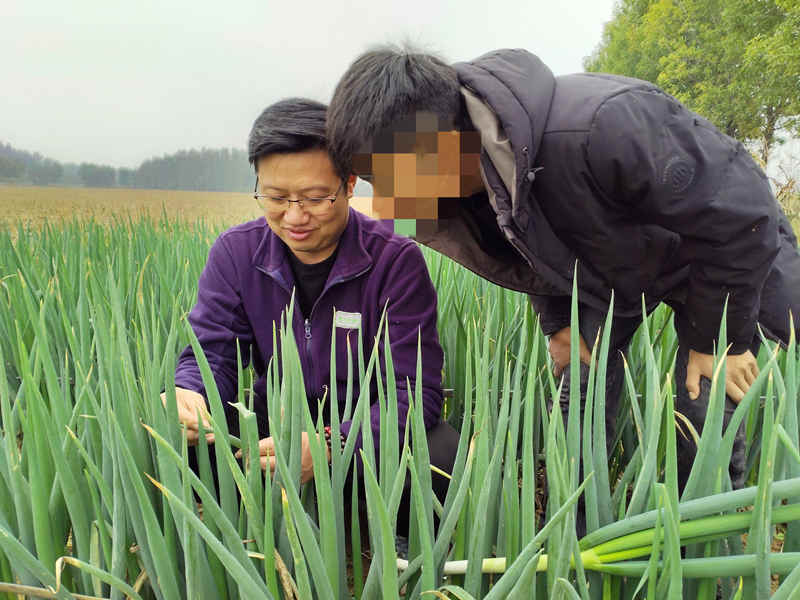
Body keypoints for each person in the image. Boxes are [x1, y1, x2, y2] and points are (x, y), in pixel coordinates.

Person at [326, 46, 800, 498]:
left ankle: (701, 556)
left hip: (724, 255)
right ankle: (574, 533)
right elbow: (526, 245)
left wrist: (721, 340)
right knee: (581, 383)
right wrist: (558, 321)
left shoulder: (603, 124)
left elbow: (742, 212)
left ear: (440, 142)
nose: (386, 198)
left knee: (705, 400)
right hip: (621, 265)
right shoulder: (461, 183)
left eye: (387, 176)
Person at [163, 98, 458, 505]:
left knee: (441, 455)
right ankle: (245, 535)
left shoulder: (395, 261)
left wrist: (333, 446)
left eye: (316, 198)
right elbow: (212, 353)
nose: (294, 216)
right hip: (273, 428)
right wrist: (191, 393)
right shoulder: (236, 253)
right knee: (173, 439)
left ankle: (394, 546)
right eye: (276, 197)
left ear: (350, 184)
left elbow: (415, 392)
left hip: (359, 434)